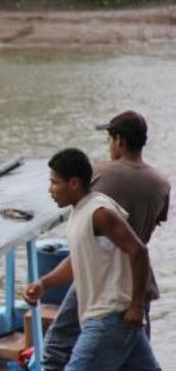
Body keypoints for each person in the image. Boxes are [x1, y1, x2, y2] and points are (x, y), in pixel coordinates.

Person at [42, 111, 171, 370]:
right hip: (137, 282)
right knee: (133, 346)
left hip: (100, 280)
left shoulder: (98, 175)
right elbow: (151, 229)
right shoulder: (162, 184)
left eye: (109, 140)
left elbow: (93, 227)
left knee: (57, 347)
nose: (109, 146)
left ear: (119, 141)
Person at [23, 148, 159, 371]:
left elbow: (138, 252)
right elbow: (78, 261)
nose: (50, 190)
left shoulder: (99, 212)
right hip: (114, 322)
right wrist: (43, 283)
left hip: (110, 318)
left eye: (55, 183)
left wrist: (136, 305)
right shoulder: (79, 212)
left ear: (74, 183)